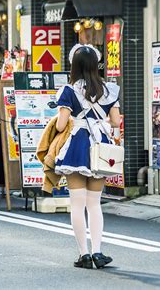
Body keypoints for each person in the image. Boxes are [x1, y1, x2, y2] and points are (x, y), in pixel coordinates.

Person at [55, 44, 121, 269]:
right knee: (95, 203)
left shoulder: (69, 90)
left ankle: (84, 255)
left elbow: (62, 124)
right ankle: (98, 252)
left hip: (77, 146)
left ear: (74, 66)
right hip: (100, 145)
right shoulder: (109, 89)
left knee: (77, 203)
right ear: (96, 64)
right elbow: (116, 122)